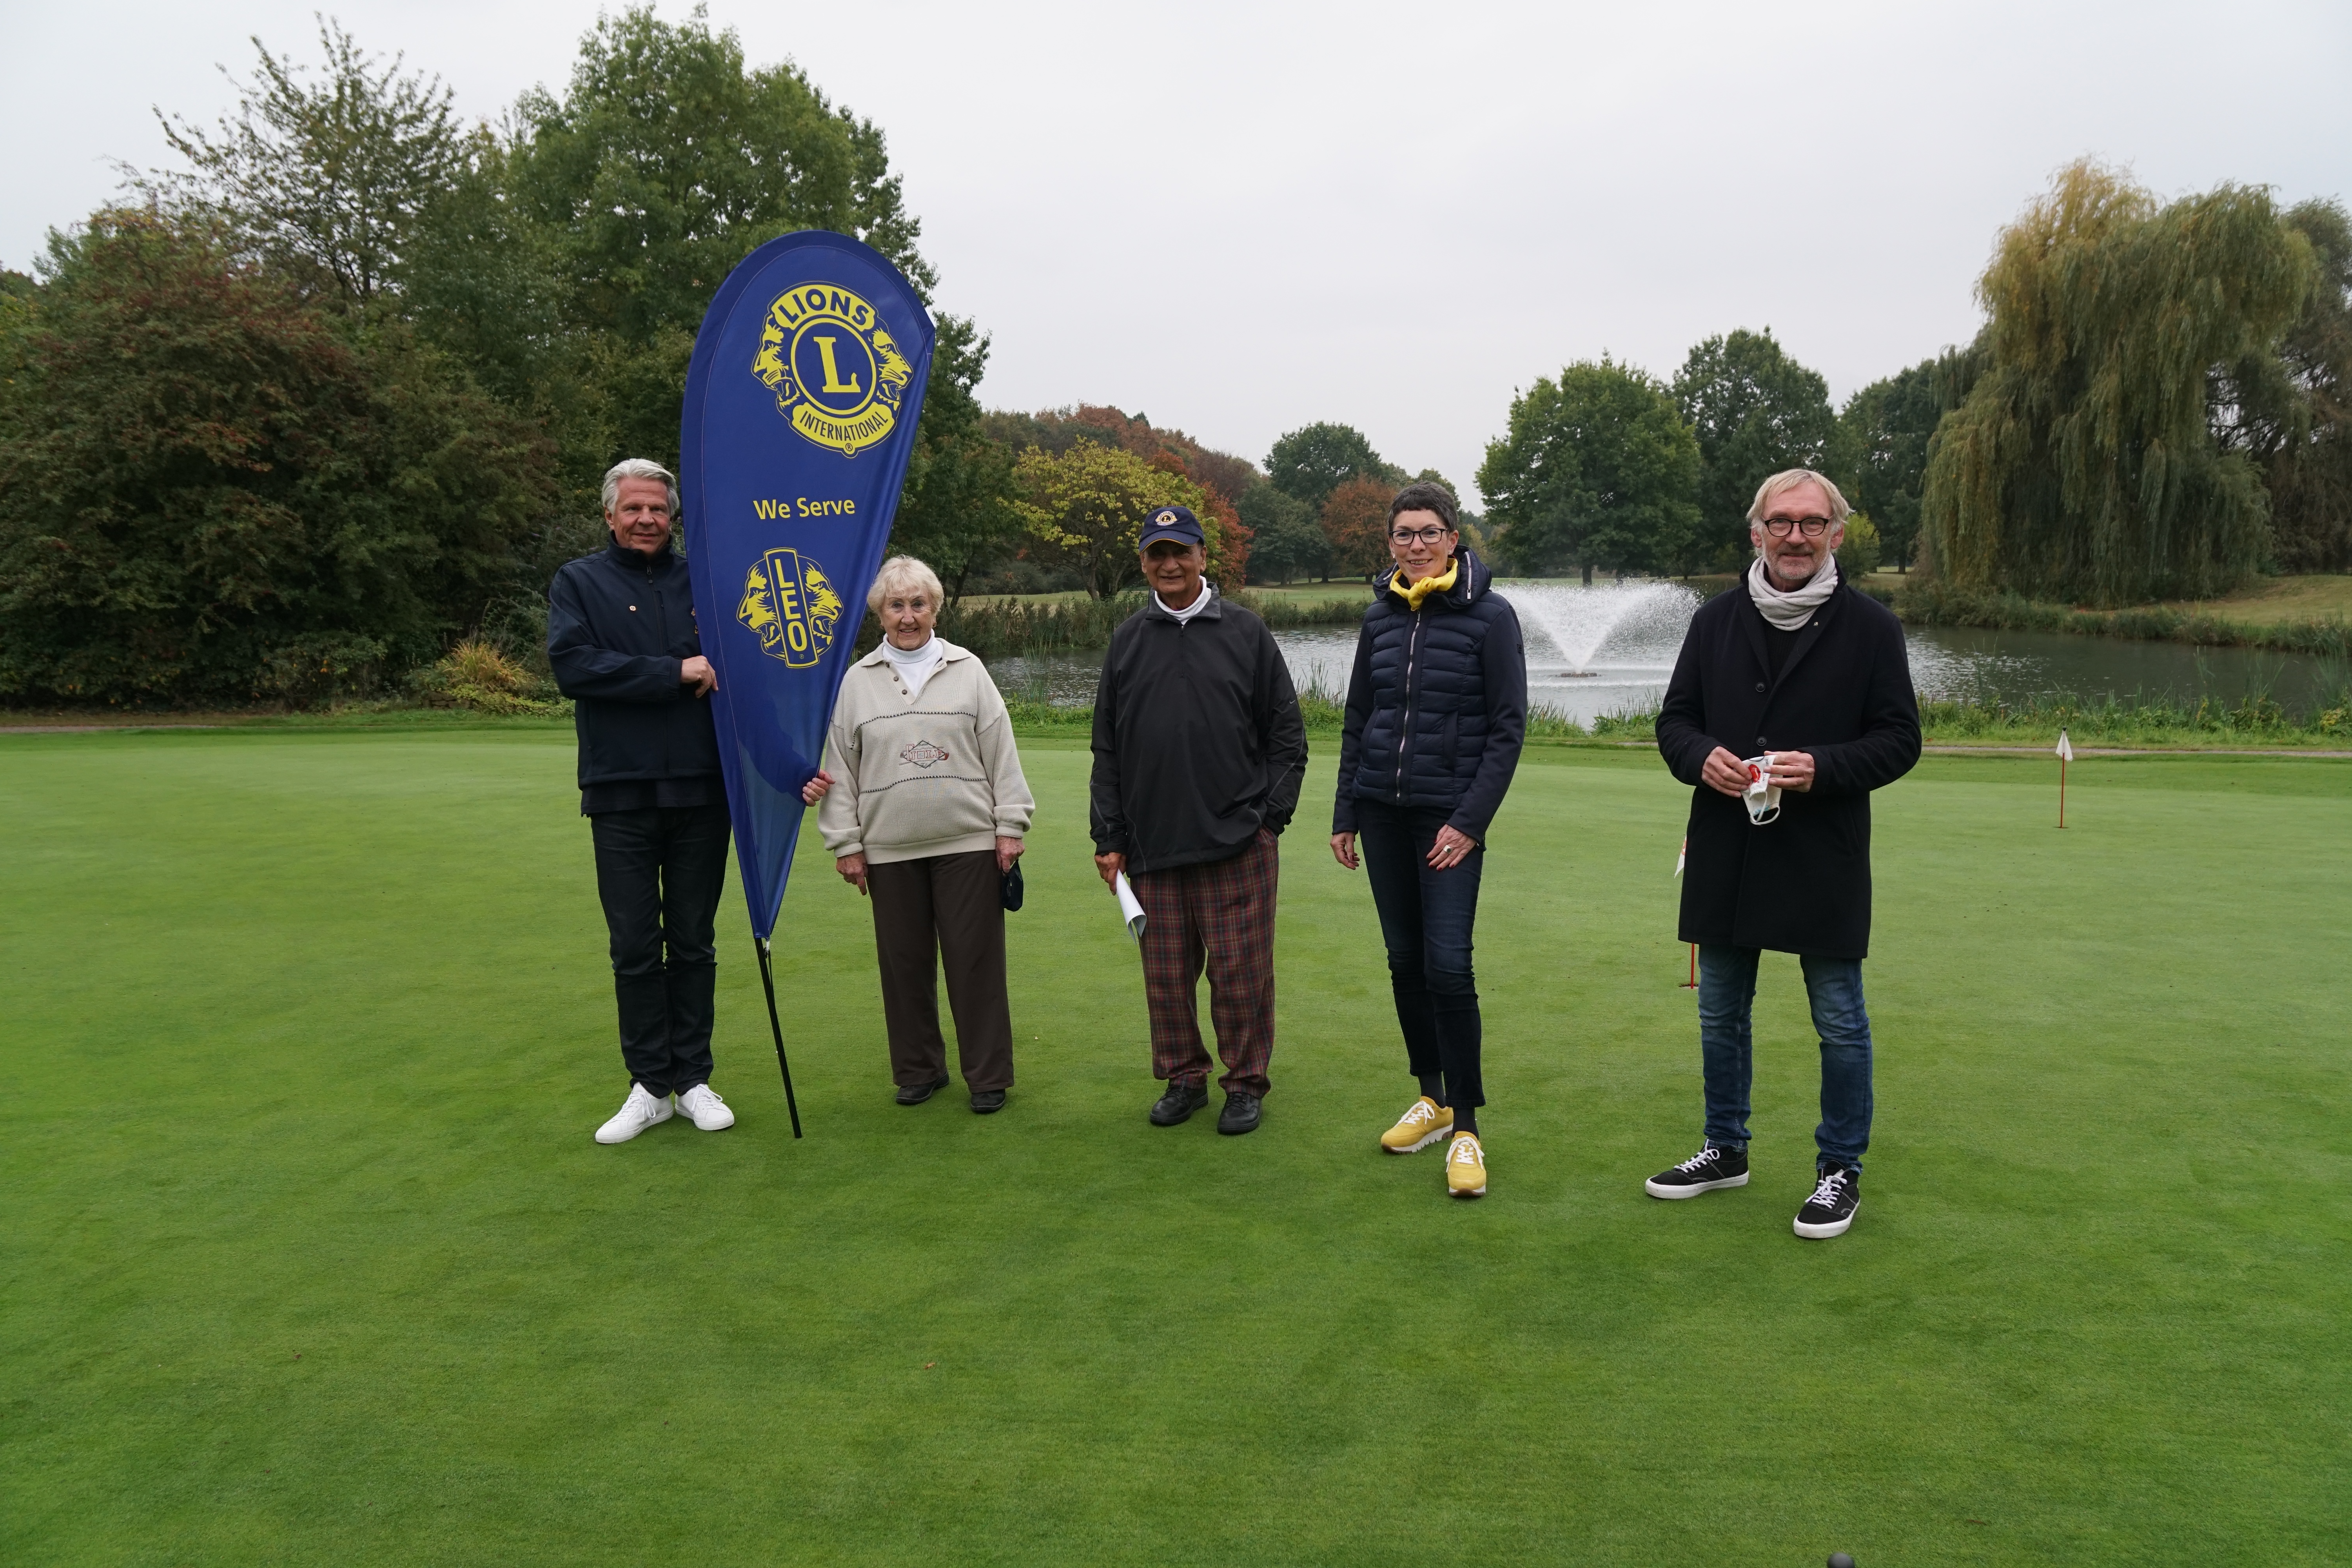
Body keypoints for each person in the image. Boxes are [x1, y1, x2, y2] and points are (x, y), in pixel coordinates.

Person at [1647, 468, 1920, 1238]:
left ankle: (1840, 1170)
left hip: (1822, 850)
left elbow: (1901, 740)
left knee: (1839, 1019)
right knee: (1720, 1014)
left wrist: (1824, 768)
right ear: (1756, 531)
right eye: (1780, 521)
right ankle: (1725, 1147)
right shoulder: (1715, 622)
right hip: (1726, 847)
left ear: (1836, 533)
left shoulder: (1872, 628)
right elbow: (1676, 723)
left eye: (1811, 522)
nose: (1794, 535)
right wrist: (1700, 756)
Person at [1330, 481, 1526, 1200]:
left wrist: (1469, 823)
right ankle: (1432, 1099)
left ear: (1453, 537)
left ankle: (1468, 1126)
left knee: (1449, 967)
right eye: (1403, 534)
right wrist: (1345, 810)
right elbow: (1360, 718)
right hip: (1381, 812)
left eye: (1429, 532)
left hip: (1449, 820)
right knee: (1405, 961)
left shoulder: (1490, 617)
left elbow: (1507, 731)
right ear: (1390, 545)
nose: (1416, 545)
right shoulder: (1379, 618)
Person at [1090, 505, 1308, 1136]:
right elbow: (1107, 749)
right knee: (1166, 981)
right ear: (1144, 564)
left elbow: (1288, 739)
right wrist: (1109, 838)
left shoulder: (1245, 632)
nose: (1170, 564)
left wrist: (1268, 820)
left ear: (1203, 557)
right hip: (1152, 847)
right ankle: (1184, 1077)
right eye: (1157, 554)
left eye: (1180, 551)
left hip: (1238, 843)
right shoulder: (1128, 641)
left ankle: (1244, 1084)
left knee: (1241, 977)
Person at [548, 458, 739, 1145]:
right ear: (609, 514)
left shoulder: (707, 582)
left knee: (693, 942)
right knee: (634, 945)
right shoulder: (579, 581)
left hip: (701, 787)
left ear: (673, 515)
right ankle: (649, 1087)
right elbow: (574, 666)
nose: (647, 520)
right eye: (633, 509)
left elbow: (741, 663)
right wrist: (672, 672)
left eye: (658, 509)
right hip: (619, 791)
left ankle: (691, 1080)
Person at [799, 557, 1034, 1113]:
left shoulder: (969, 668)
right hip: (888, 849)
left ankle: (988, 1077)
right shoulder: (856, 683)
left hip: (969, 842)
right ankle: (919, 1069)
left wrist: (1010, 826)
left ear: (935, 607)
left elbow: (1001, 751)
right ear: (880, 613)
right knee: (903, 964)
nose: (908, 617)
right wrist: (846, 843)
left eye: (918, 604)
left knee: (974, 961)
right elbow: (842, 767)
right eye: (896, 606)